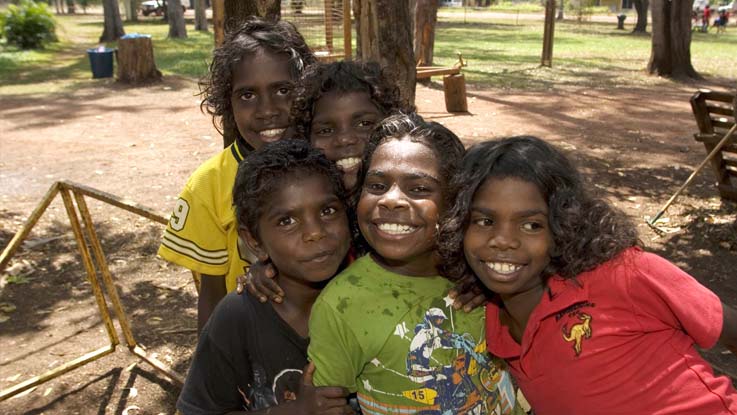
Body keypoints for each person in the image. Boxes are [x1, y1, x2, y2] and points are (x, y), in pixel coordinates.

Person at [439, 136, 737, 414]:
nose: (503, 240)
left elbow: (730, 329)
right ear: (459, 226)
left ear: (563, 225)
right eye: (485, 221)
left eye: (531, 225)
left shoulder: (625, 275)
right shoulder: (489, 317)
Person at [308, 113, 523, 415]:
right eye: (377, 185)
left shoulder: (486, 272)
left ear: (455, 202)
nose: (391, 200)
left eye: (419, 189)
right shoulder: (341, 306)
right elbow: (326, 404)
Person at [157, 18, 316, 333]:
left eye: (283, 90)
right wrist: (212, 369)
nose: (266, 109)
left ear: (306, 91)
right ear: (226, 103)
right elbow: (212, 292)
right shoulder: (208, 185)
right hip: (254, 341)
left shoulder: (329, 165)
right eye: (247, 95)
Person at [177, 139, 355, 415]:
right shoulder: (237, 317)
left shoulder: (374, 298)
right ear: (254, 241)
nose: (315, 232)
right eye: (287, 221)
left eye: (328, 211)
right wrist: (295, 411)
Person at [241, 60, 405, 302]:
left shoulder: (409, 202)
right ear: (305, 139)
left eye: (364, 124)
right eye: (326, 130)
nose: (345, 139)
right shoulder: (319, 210)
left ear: (393, 126)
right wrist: (266, 268)